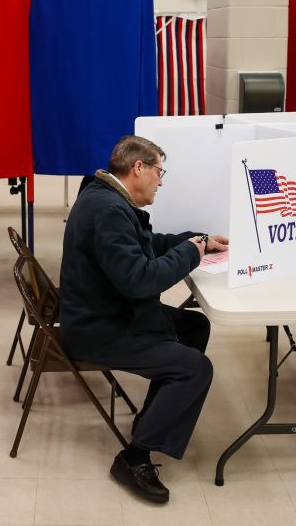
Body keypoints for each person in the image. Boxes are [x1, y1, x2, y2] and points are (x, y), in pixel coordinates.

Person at [59, 135, 228, 504]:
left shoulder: (105, 197)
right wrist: (189, 253)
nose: (161, 180)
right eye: (158, 170)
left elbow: (143, 245)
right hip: (99, 327)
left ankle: (154, 419)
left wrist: (194, 240)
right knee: (194, 369)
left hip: (102, 311)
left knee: (195, 326)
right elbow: (139, 281)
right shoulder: (108, 210)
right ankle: (133, 457)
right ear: (138, 168)